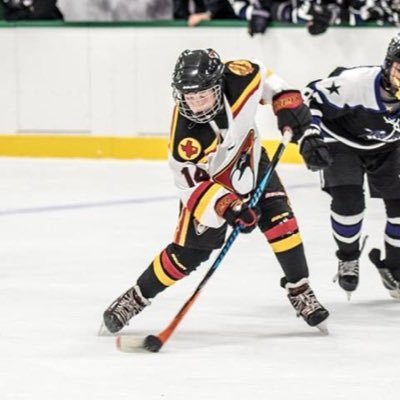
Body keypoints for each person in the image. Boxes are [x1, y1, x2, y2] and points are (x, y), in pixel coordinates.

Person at [102, 48, 330, 335]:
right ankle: (135, 297)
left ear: (218, 84)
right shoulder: (186, 137)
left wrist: (295, 118)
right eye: (189, 97)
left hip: (251, 160)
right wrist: (231, 208)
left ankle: (300, 289)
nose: (195, 105)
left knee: (282, 222)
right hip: (213, 185)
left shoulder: (240, 76)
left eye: (202, 96)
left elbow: (270, 81)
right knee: (187, 256)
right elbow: (192, 186)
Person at [302, 32, 400, 300]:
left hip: (388, 146)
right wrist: (310, 135)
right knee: (349, 204)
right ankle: (347, 257)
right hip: (342, 142)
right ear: (388, 64)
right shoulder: (357, 84)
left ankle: (396, 269)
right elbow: (312, 96)